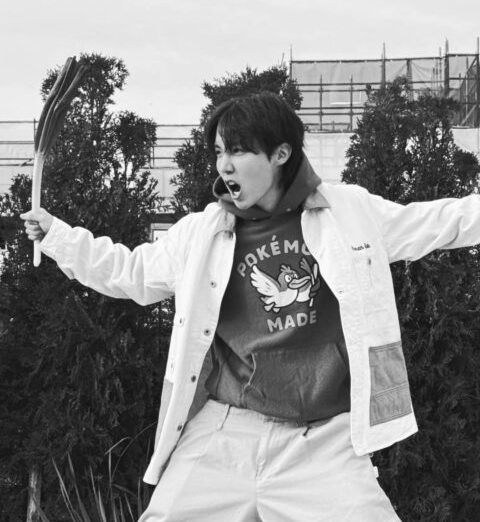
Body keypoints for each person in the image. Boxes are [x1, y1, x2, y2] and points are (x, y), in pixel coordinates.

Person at [21, 92, 480, 522]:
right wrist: (58, 236)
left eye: (238, 151)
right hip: (225, 433)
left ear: (280, 154)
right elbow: (133, 272)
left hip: (322, 443)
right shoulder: (202, 232)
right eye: (219, 152)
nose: (224, 165)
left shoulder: (349, 212)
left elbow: (438, 222)